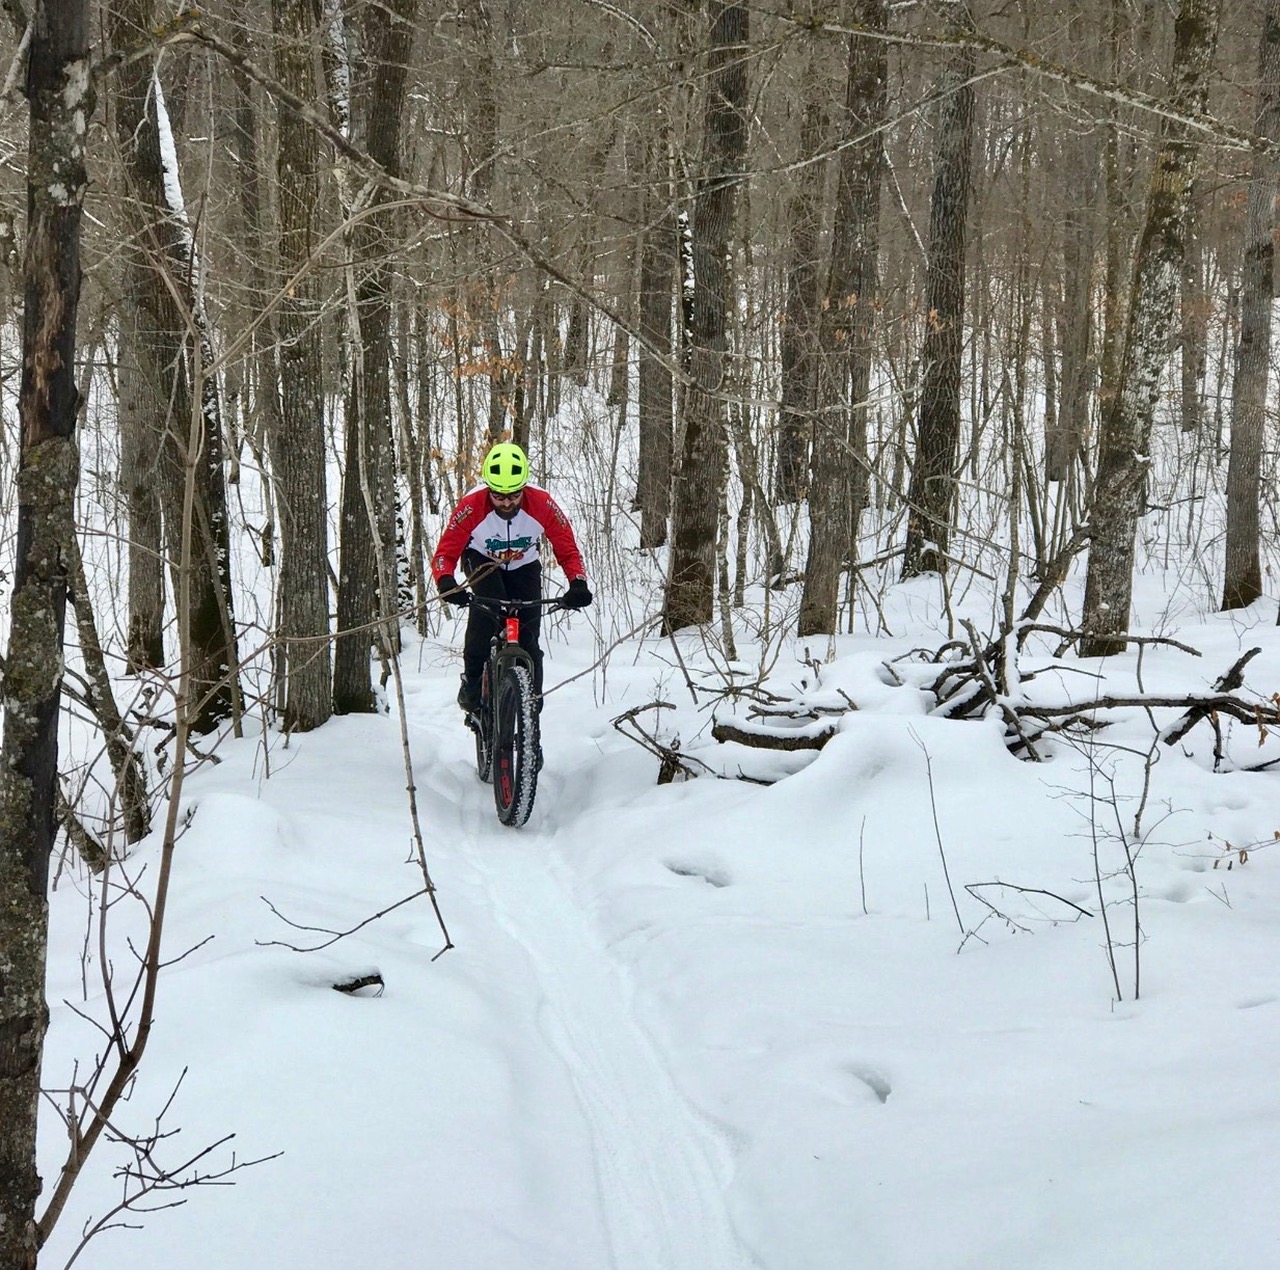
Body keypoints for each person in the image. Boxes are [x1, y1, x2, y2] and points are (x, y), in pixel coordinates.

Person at [432, 441, 592, 712]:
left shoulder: (542, 503)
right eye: (499, 496)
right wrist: (446, 581)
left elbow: (567, 549)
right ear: (489, 490)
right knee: (488, 609)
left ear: (524, 488)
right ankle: (472, 684)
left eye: (514, 495)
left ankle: (532, 713)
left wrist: (578, 582)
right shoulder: (471, 506)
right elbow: (444, 554)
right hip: (482, 561)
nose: (507, 503)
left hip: (524, 565)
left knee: (529, 637)